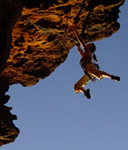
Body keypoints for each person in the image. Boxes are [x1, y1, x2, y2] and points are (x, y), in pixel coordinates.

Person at [72, 25, 120, 99]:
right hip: (88, 72)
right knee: (76, 86)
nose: (87, 44)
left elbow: (81, 41)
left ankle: (111, 76)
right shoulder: (86, 54)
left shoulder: (88, 51)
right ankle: (85, 92)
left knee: (97, 73)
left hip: (89, 67)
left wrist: (75, 30)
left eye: (89, 44)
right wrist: (78, 46)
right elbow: (80, 51)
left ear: (90, 47)